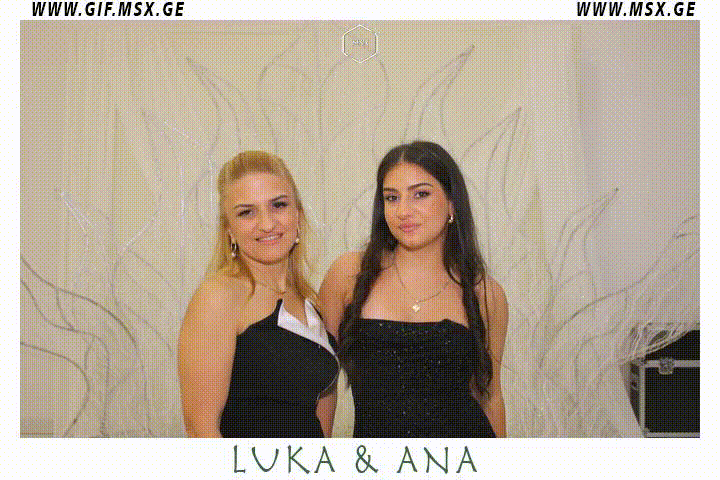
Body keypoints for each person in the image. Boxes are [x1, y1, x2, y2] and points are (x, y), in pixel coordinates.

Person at [319, 141, 508, 437]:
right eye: (392, 198)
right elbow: (321, 383)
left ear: (452, 204)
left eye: (420, 194)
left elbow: (490, 395)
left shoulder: (485, 293)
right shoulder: (348, 274)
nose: (403, 211)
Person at [178, 150, 338, 437]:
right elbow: (201, 429)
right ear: (229, 229)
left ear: (298, 215)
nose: (267, 224)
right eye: (246, 212)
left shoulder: (309, 302)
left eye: (278, 205)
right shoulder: (219, 297)